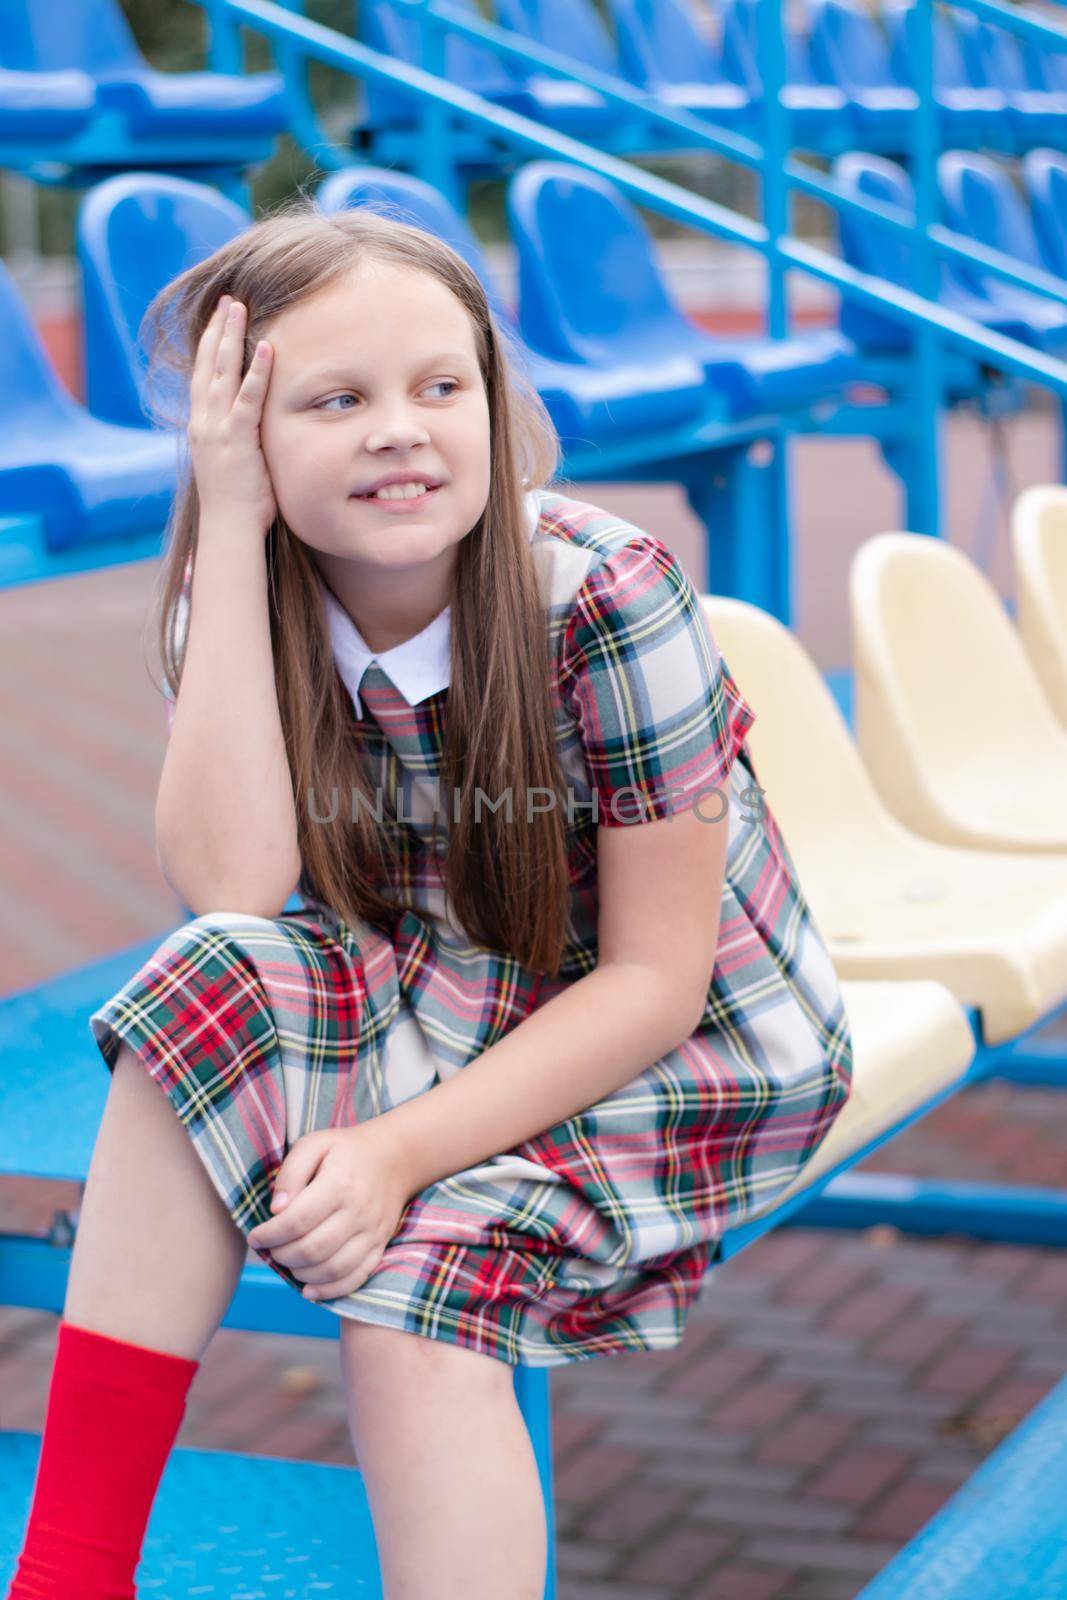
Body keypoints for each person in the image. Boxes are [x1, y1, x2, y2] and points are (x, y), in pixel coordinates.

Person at [6, 201, 853, 1600]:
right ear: (248, 432)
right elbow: (234, 893)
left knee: (415, 1294)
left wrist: (395, 1152)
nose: (402, 429)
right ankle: (70, 1575)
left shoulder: (603, 594)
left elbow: (657, 978)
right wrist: (227, 529)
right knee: (196, 985)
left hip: (678, 1036)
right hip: (433, 993)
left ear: (493, 405)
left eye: (440, 387)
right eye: (337, 399)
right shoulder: (233, 602)